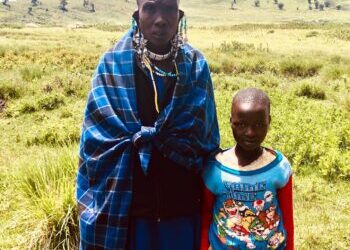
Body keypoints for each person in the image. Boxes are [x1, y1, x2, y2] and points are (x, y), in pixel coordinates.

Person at [76, 0, 220, 249]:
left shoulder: (196, 66)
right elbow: (95, 146)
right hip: (128, 212)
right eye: (151, 8)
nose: (161, 19)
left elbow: (207, 141)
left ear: (179, 13)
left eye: (168, 8)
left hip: (182, 210)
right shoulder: (111, 65)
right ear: (137, 13)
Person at [200, 88, 294, 250]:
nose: (250, 132)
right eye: (241, 124)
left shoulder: (278, 166)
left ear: (269, 122)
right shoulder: (215, 169)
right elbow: (205, 216)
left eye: (258, 124)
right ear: (231, 121)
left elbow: (287, 217)